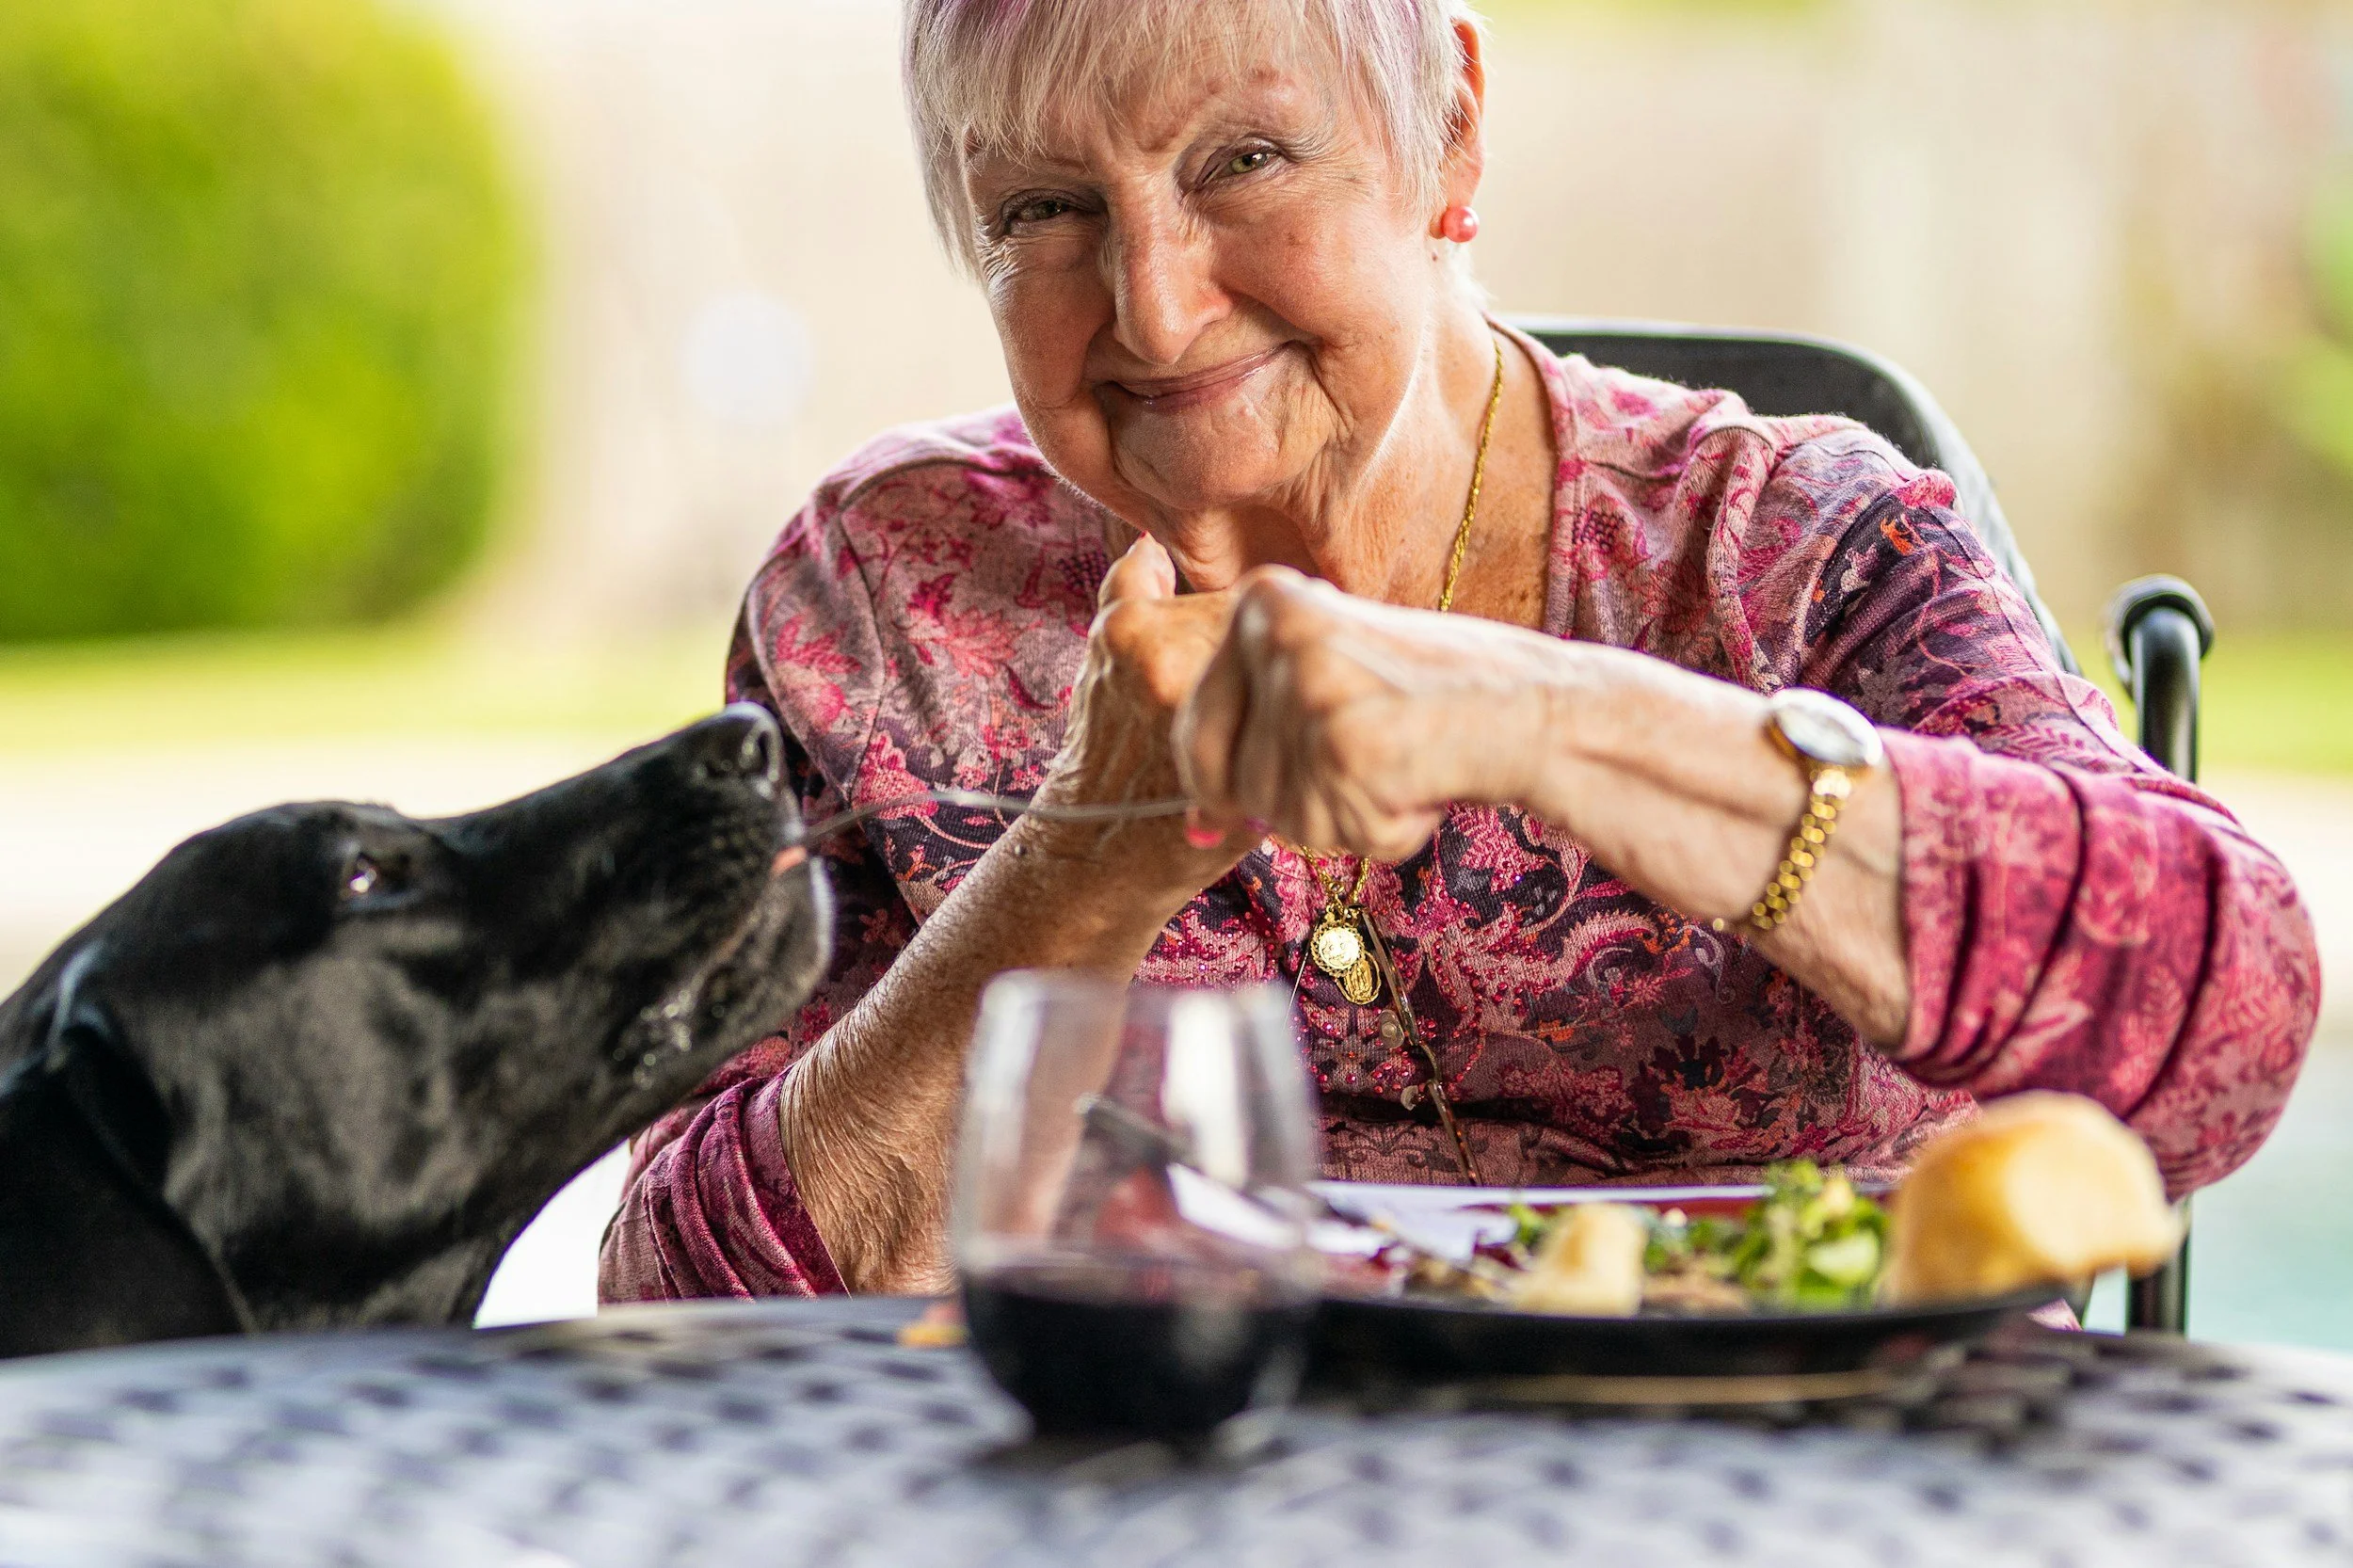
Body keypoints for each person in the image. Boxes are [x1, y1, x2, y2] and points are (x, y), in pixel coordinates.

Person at [600, 0, 2318, 1301]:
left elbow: (2227, 1013)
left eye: (1244, 163)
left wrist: (1546, 716)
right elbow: (679, 1310)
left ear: (1452, 137)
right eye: (1045, 210)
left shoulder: (1788, 553)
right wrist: (1087, 853)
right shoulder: (890, 593)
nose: (1154, 306)